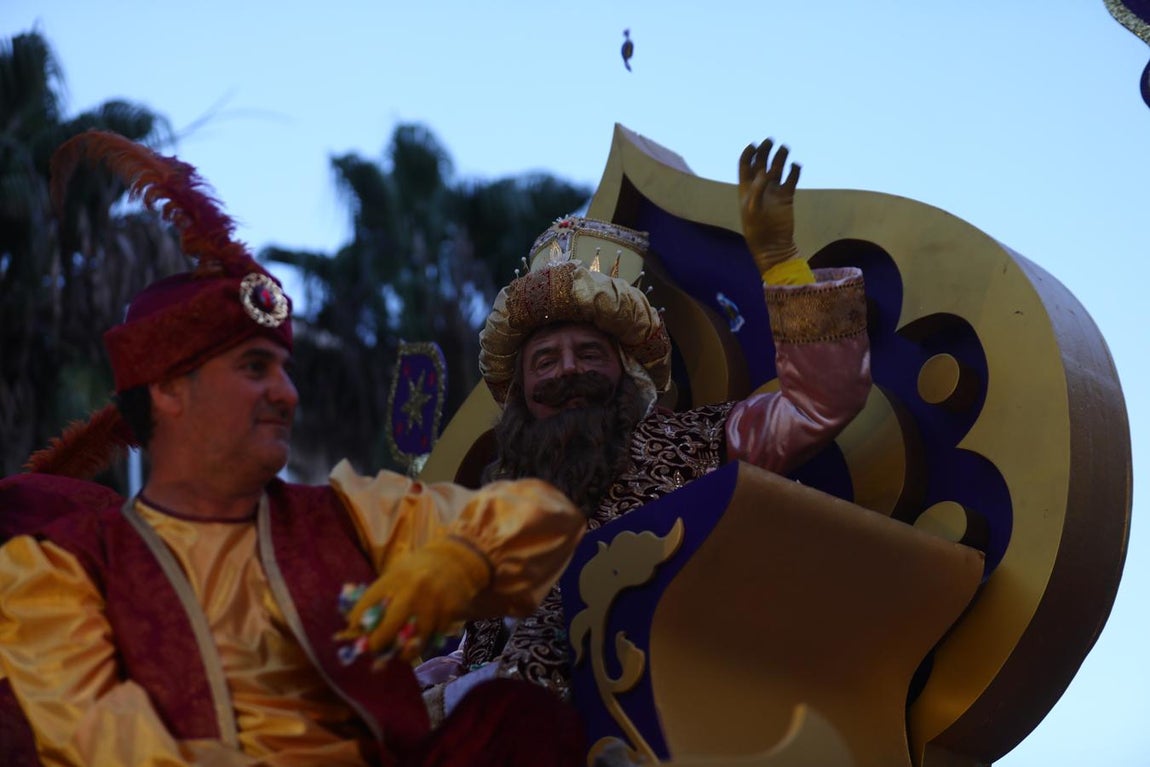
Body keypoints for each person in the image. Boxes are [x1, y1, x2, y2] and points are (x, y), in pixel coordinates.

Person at [0, 130, 588, 767]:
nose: (286, 392)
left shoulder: (346, 515)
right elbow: (105, 741)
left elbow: (544, 518)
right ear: (169, 390)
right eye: (255, 368)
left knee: (518, 724)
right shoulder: (63, 571)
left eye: (285, 368)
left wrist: (462, 562)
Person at [419, 139, 872, 715]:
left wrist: (781, 261)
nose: (567, 374)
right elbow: (475, 653)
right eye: (545, 362)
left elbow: (822, 401)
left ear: (625, 373)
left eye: (588, 353)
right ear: (521, 397)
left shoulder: (700, 441)